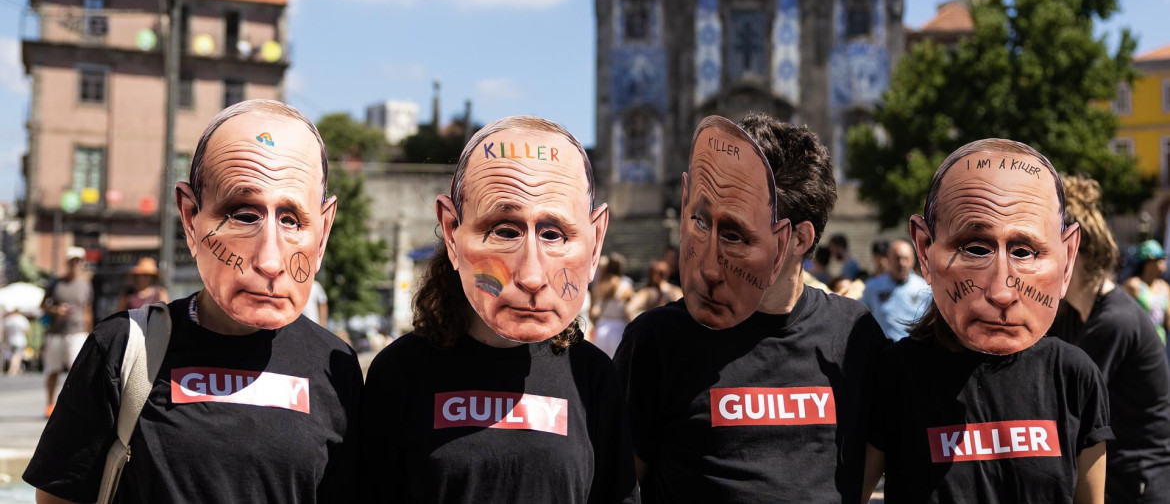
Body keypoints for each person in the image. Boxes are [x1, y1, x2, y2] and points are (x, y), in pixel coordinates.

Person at [25, 99, 363, 503]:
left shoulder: (335, 368)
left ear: (323, 231)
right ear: (190, 217)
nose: (270, 260)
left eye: (291, 219)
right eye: (242, 215)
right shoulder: (123, 347)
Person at [360, 116, 638, 503]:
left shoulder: (591, 376)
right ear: (452, 231)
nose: (531, 275)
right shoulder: (401, 373)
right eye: (505, 231)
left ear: (595, 241)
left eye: (553, 234)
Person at [616, 114, 888, 503]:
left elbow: (861, 479)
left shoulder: (853, 335)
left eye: (735, 235)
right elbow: (617, 482)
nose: (710, 263)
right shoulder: (659, 339)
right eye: (701, 221)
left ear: (797, 240)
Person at [864, 138, 1111, 504]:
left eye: (1024, 251)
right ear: (924, 251)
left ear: (1067, 257)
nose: (1001, 291)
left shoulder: (1073, 377)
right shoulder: (894, 376)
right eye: (975, 248)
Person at [1050, 176, 1170, 501]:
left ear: (1072, 252)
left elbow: (1063, 408)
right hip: (1115, 476)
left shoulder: (1114, 321)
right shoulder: (1073, 315)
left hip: (1138, 483)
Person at [40, 246, 91, 415]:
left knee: (76, 370)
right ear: (67, 262)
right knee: (53, 370)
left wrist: (91, 334)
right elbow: (42, 306)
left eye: (79, 260)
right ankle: (50, 404)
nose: (76, 264)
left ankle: (72, 406)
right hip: (56, 332)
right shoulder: (56, 283)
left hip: (77, 332)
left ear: (82, 263)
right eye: (72, 260)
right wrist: (56, 310)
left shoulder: (85, 285)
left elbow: (87, 310)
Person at [861, 239, 931, 340]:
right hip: (885, 351)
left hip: (916, 351)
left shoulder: (925, 288)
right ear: (888, 259)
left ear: (913, 260)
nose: (902, 263)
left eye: (906, 259)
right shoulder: (872, 287)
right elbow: (861, 318)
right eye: (897, 258)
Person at [1123, 240, 1170, 345]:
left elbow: (1167, 320)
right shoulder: (1133, 285)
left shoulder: (1164, 287)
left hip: (1160, 345)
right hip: (1139, 346)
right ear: (1148, 263)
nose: (1163, 261)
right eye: (1159, 259)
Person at [591, 253, 634, 356]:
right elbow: (628, 310)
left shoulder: (599, 284)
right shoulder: (626, 285)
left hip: (601, 325)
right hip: (618, 327)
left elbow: (594, 310)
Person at [4, 308, 31, 376]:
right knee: (17, 355)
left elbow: (4, 331)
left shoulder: (9, 319)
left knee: (14, 355)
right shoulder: (22, 319)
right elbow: (27, 330)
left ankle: (16, 369)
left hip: (10, 340)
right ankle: (12, 369)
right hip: (20, 340)